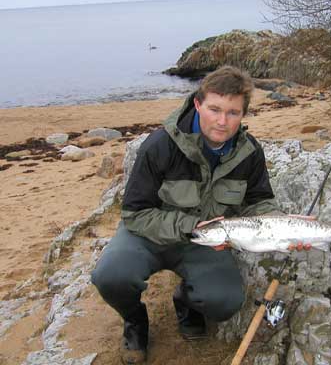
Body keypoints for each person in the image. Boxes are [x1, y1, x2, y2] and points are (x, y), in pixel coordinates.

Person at [91, 65, 310, 364]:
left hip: (207, 240)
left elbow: (258, 202)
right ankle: (134, 320)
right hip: (150, 233)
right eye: (214, 109)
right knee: (110, 276)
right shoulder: (159, 146)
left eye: (233, 112)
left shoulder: (250, 153)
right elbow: (136, 213)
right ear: (197, 103)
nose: (222, 121)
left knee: (226, 301)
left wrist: (288, 227)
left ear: (243, 114)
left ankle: (186, 301)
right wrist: (189, 225)